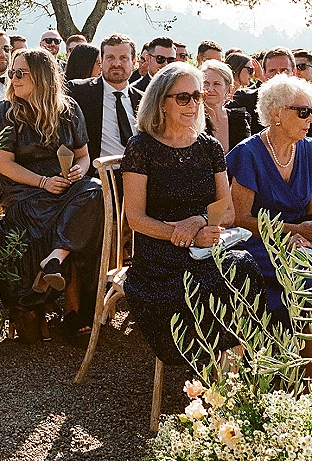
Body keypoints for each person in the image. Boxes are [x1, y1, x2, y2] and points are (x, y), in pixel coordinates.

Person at [121, 62, 264, 365]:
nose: (193, 103)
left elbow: (227, 211)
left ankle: (233, 371)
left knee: (242, 267)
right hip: (159, 253)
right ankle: (215, 373)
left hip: (205, 245)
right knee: (210, 281)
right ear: (161, 101)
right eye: (183, 97)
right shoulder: (140, 148)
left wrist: (197, 222)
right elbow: (135, 218)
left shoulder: (209, 147)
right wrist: (183, 235)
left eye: (197, 96)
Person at [0, 48, 104, 337]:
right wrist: (42, 182)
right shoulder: (7, 111)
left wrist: (78, 169)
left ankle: (56, 256)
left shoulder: (68, 110)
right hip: (25, 189)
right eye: (12, 73)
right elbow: (4, 164)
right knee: (68, 212)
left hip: (66, 185)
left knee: (96, 191)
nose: (12, 78)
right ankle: (51, 291)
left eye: (20, 73)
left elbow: (83, 155)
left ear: (41, 77)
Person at [227, 75, 312, 325]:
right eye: (303, 111)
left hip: (299, 240)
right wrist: (291, 231)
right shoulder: (248, 153)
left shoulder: (308, 150)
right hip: (258, 243)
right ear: (276, 113)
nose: (309, 118)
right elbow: (239, 221)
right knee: (305, 280)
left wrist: (303, 234)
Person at [67, 34, 142, 169]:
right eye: (110, 57)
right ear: (101, 61)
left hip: (137, 176)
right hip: (97, 177)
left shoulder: (143, 100)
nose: (116, 63)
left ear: (134, 62)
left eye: (123, 58)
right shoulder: (79, 92)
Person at [227, 47, 296, 134]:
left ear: (294, 72)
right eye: (272, 71)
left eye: (284, 70)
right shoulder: (245, 99)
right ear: (264, 73)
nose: (278, 75)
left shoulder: (307, 103)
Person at [202, 60, 251, 153]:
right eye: (206, 83)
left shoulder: (239, 120)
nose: (210, 89)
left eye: (216, 84)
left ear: (229, 89)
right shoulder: (192, 119)